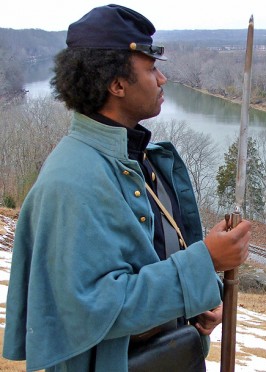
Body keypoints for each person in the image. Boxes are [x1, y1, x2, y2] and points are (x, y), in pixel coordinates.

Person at [2, 4, 251, 371]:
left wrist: (195, 305)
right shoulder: (70, 181)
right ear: (117, 85)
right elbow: (94, 308)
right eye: (151, 69)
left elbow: (154, 265)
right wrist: (206, 261)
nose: (162, 79)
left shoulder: (145, 162)